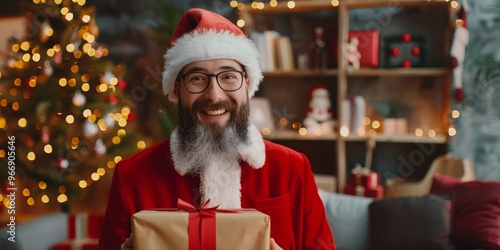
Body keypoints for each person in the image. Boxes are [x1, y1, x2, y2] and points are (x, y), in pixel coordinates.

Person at [97, 8, 336, 250]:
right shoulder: (131, 177)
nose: (214, 95)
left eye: (229, 76)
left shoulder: (293, 169)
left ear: (248, 85)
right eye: (197, 78)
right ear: (177, 90)